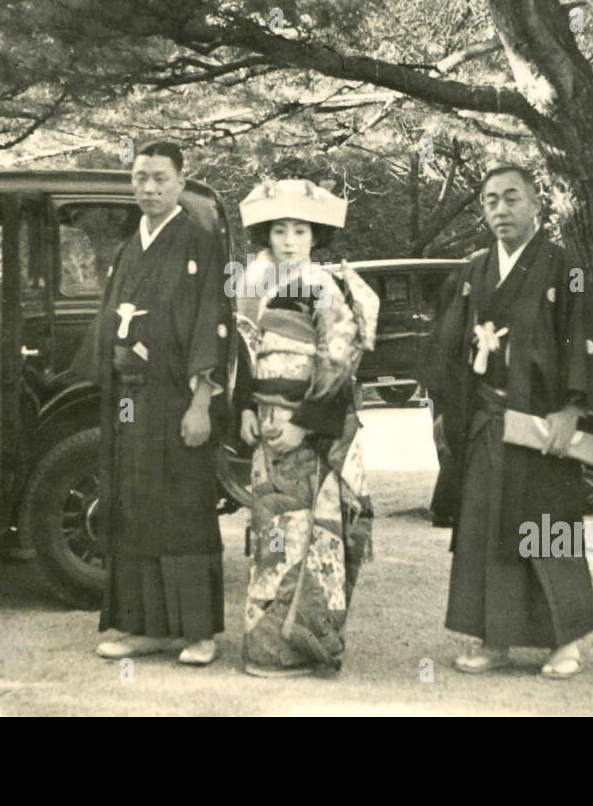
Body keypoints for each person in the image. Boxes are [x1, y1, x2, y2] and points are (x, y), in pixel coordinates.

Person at [426, 166, 593, 678]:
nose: (500, 210)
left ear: (535, 205)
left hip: (541, 421)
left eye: (512, 199)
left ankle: (565, 641)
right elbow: (447, 345)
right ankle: (492, 638)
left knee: (546, 527)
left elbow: (584, 338)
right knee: (485, 528)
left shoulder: (564, 267)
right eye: (490, 201)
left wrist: (572, 410)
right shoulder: (473, 271)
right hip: (486, 419)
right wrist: (452, 405)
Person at [80, 142, 231, 666]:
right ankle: (144, 627)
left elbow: (215, 320)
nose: (149, 187)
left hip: (177, 398)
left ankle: (198, 632)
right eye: (140, 177)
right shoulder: (128, 248)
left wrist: (202, 401)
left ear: (181, 184)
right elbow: (109, 322)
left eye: (160, 178)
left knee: (184, 509)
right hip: (128, 401)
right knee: (135, 506)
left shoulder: (199, 242)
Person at [234, 178, 378, 677]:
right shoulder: (253, 284)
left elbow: (339, 361)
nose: (289, 240)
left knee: (307, 538)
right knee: (270, 535)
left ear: (315, 236)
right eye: (279, 230)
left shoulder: (324, 286)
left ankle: (301, 644)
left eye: (299, 230)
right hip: (266, 429)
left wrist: (304, 424)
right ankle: (265, 645)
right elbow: (244, 355)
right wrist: (245, 410)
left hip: (307, 430)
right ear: (267, 235)